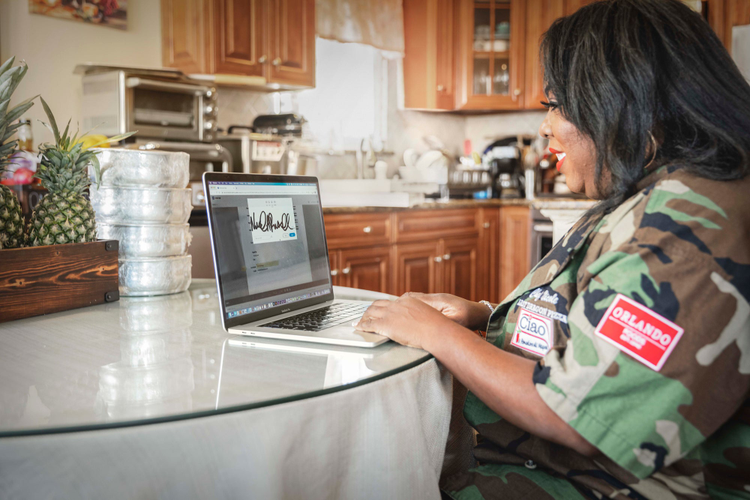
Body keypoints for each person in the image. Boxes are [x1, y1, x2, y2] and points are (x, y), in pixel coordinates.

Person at [355, 0, 750, 498]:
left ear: (621, 100)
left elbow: (576, 415)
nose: (545, 127)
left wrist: (435, 333)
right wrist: (486, 316)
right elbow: (601, 327)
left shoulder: (687, 230)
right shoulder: (668, 191)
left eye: (555, 104)